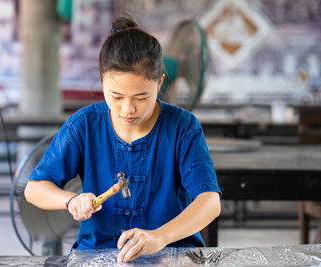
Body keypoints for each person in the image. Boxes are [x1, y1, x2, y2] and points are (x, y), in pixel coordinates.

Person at [24, 15, 221, 263]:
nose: (127, 109)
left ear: (160, 83)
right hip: (98, 254)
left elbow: (210, 202)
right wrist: (70, 200)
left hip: (172, 253)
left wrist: (160, 237)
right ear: (102, 79)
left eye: (141, 98)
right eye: (116, 96)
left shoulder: (183, 127)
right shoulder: (84, 124)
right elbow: (34, 189)